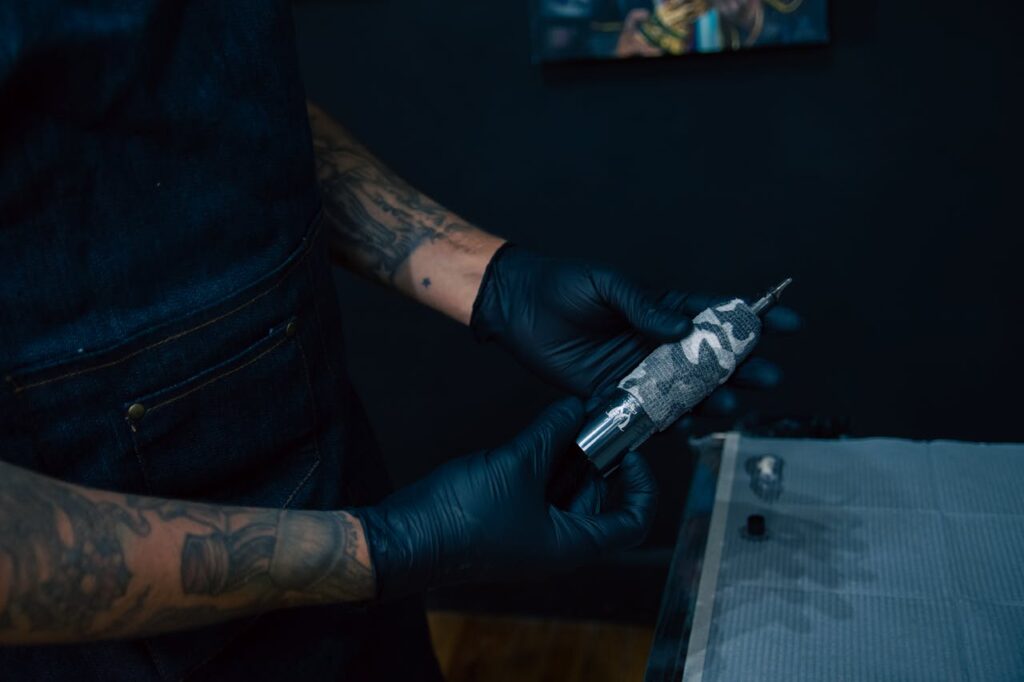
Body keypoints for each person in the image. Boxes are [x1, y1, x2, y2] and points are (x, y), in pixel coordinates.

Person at [0, 3, 790, 680]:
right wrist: (390, 546)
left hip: (330, 498)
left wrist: (485, 276)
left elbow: (197, 96)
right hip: (117, 620)